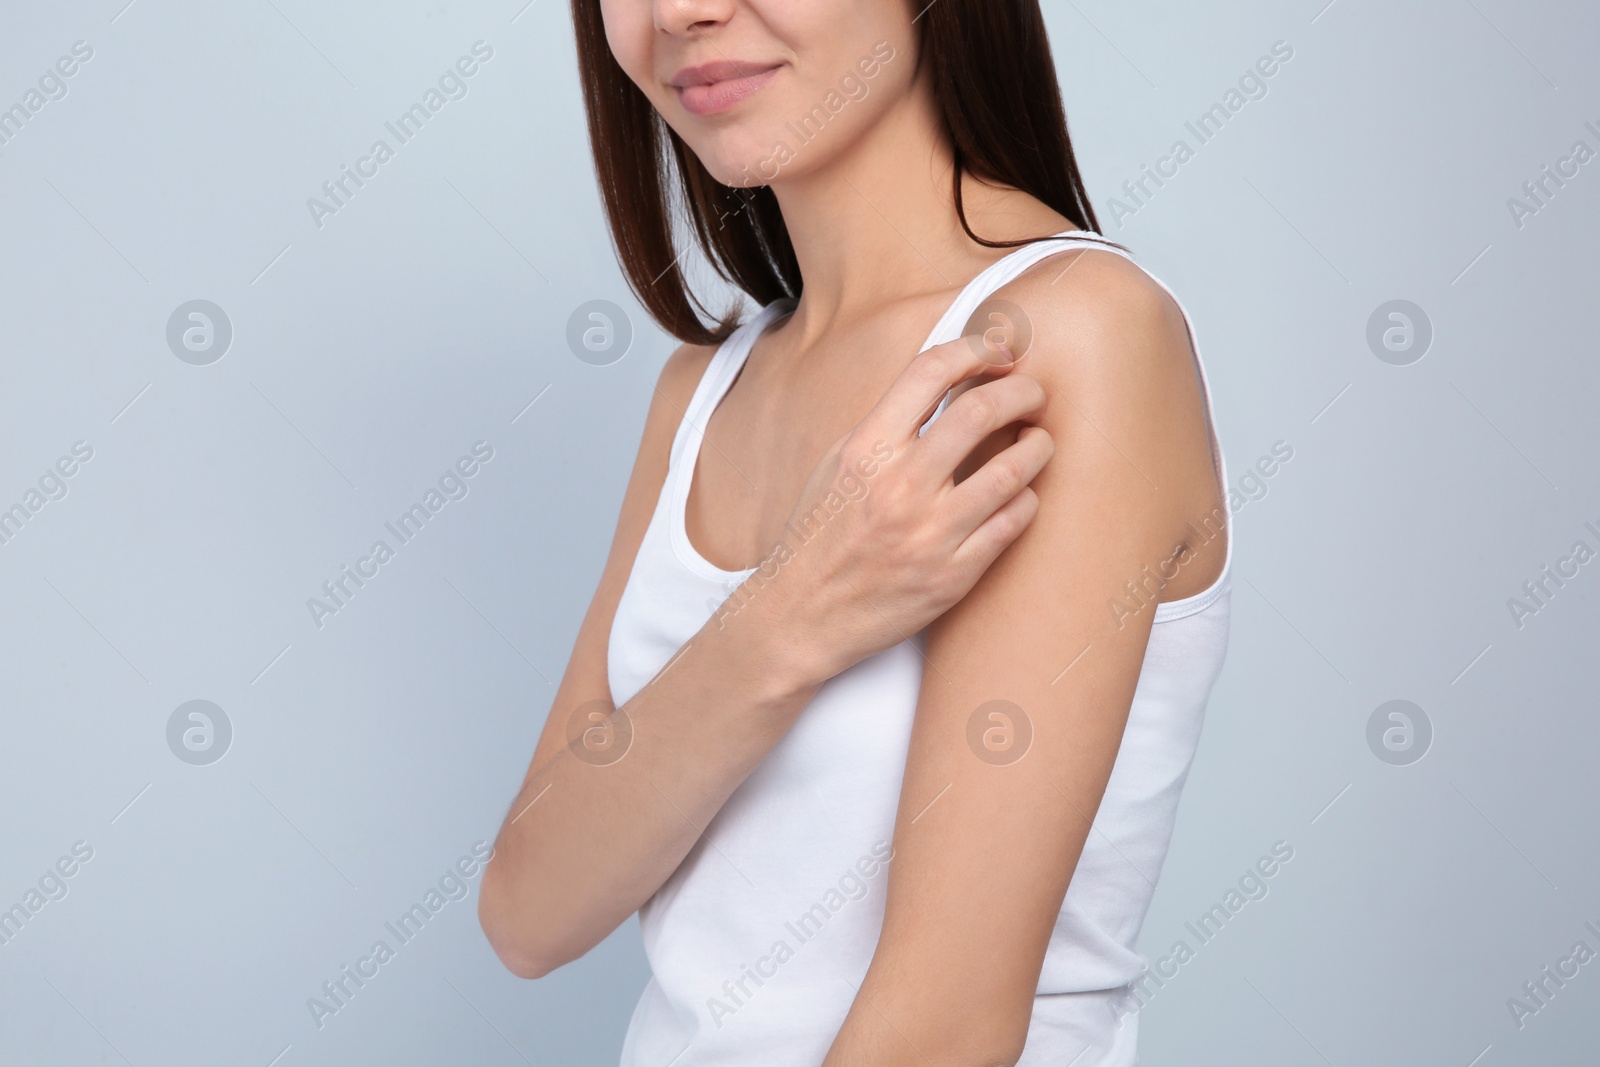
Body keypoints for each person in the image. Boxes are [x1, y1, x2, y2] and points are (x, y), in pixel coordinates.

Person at [479, 2, 1233, 1063]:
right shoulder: (700, 392)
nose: (682, 10)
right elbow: (528, 906)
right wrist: (789, 617)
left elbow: (945, 1026)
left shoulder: (1071, 334)